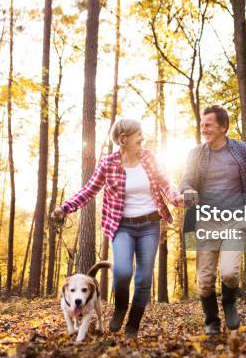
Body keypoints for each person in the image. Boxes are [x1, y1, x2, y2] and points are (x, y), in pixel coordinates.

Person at [52, 119, 183, 338]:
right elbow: (88, 190)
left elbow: (165, 183)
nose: (142, 137)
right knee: (122, 272)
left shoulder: (149, 158)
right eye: (138, 134)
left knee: (143, 279)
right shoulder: (108, 164)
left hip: (150, 224)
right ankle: (121, 306)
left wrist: (177, 197)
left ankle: (133, 323)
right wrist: (65, 207)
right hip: (122, 226)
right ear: (124, 139)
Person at [179, 105, 246, 335]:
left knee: (230, 272)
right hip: (206, 221)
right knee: (206, 279)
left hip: (235, 219)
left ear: (223, 127)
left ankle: (229, 302)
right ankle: (211, 320)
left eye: (208, 125)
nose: (203, 129)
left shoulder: (241, 150)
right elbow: (186, 181)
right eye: (202, 124)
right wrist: (188, 189)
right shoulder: (195, 153)